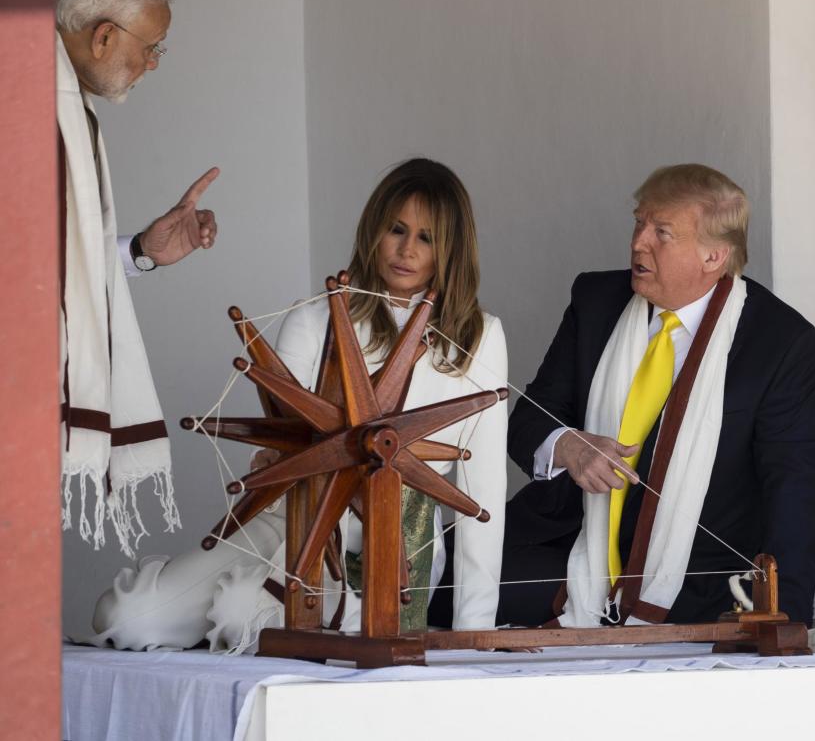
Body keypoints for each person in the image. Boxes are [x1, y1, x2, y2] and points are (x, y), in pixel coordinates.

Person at [90, 158, 507, 650]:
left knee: (241, 608)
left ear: (451, 249)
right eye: (396, 229)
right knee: (125, 618)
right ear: (374, 229)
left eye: (426, 237)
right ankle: (239, 602)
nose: (406, 250)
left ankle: (293, 614)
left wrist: (475, 633)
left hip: (396, 544)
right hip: (291, 517)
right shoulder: (312, 321)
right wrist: (268, 460)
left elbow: (485, 495)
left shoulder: (479, 338)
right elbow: (281, 441)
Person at [502, 164, 815, 628]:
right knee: (428, 585)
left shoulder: (780, 343)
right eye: (639, 222)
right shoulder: (596, 301)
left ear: (713, 257)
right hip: (568, 552)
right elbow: (527, 421)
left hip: (697, 577)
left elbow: (791, 490)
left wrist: (788, 617)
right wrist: (568, 445)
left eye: (662, 232)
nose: (639, 242)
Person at [56, 0, 219, 555]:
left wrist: (141, 252)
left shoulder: (70, 110)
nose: (152, 63)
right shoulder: (24, 103)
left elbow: (58, 265)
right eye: (152, 46)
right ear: (103, 36)